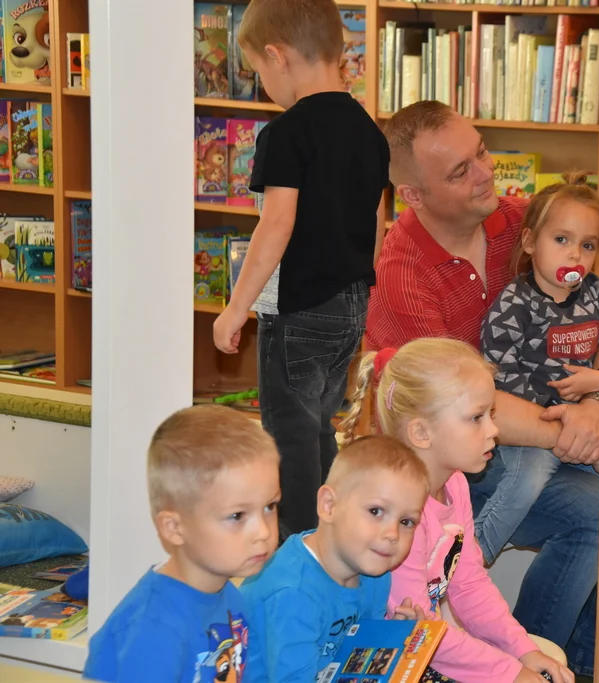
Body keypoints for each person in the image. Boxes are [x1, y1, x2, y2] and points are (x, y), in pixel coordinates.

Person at [365, 100, 599, 676]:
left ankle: (594, 664)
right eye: (460, 171)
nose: (486, 173)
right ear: (413, 195)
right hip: (462, 465)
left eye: (482, 151)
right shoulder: (401, 275)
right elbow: (449, 408)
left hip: (550, 428)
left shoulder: (527, 221)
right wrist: (590, 437)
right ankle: (532, 663)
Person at [211, 0, 390, 541]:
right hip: (350, 307)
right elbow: (379, 220)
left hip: (299, 310)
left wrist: (235, 309)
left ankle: (295, 553)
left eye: (259, 72)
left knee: (289, 439)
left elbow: (275, 225)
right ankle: (332, 539)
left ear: (277, 56)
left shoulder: (287, 133)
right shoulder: (369, 130)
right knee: (319, 432)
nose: (264, 83)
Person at [341, 338, 575, 683]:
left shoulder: (454, 484)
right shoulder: (396, 515)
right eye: (476, 418)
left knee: (546, 661)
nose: (493, 430)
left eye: (490, 414)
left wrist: (522, 649)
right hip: (374, 660)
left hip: (420, 646)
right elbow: (418, 633)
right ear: (422, 432)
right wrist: (510, 673)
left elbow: (467, 582)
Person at [476, 173, 599, 562]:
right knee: (529, 479)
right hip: (533, 430)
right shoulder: (514, 304)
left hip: (582, 425)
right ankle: (473, 556)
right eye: (562, 240)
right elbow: (500, 374)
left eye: (587, 245)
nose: (575, 255)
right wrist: (563, 416)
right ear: (529, 243)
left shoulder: (597, 294)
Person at [83, 406, 280, 683]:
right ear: (174, 528)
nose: (262, 531)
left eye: (270, 506)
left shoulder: (231, 597)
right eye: (237, 515)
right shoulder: (154, 631)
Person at [240, 435, 430, 681]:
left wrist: (390, 636)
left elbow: (356, 650)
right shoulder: (294, 593)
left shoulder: (375, 571)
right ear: (329, 506)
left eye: (406, 522)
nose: (392, 534)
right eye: (376, 511)